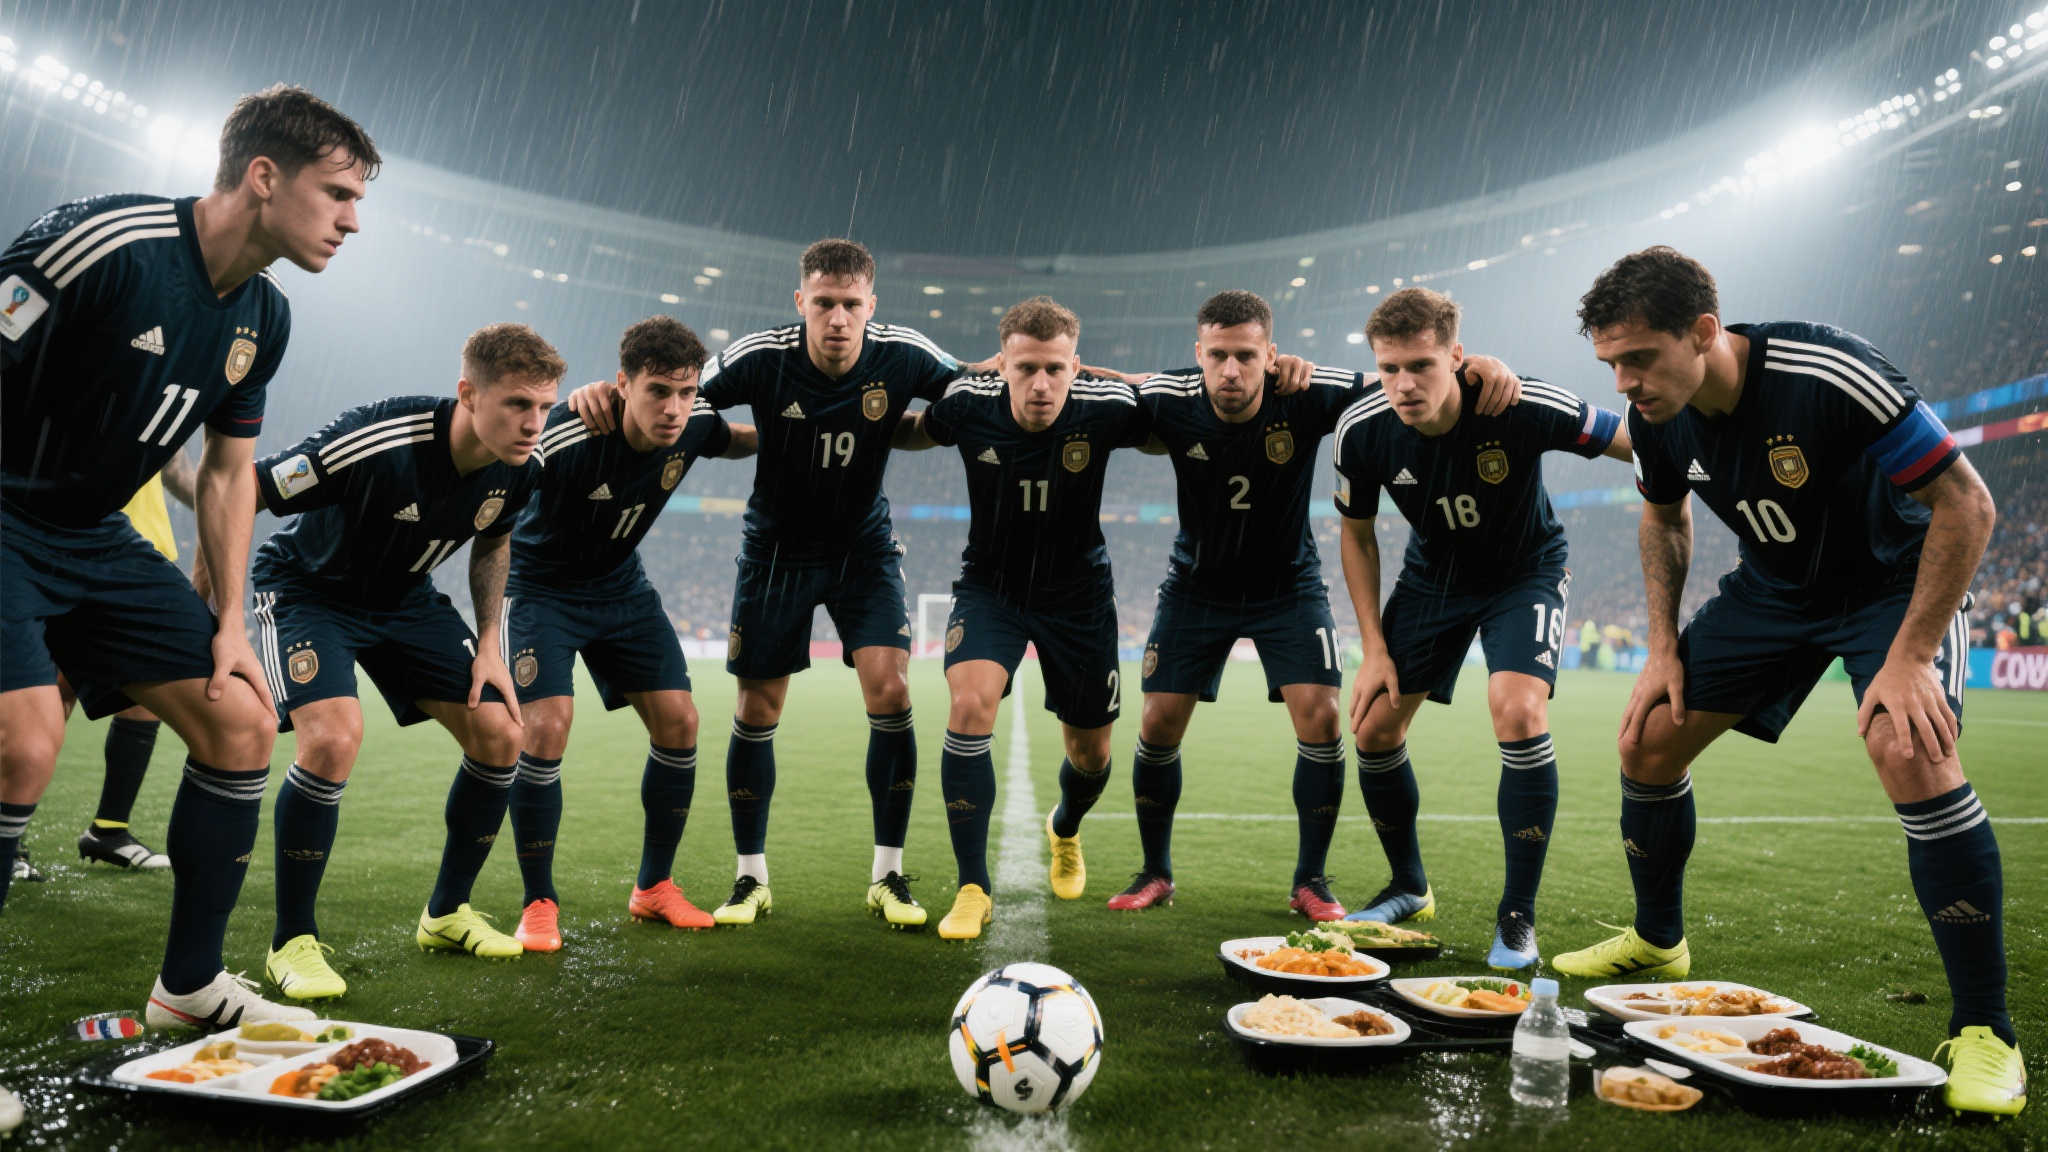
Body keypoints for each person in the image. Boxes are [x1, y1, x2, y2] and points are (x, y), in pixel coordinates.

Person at [1554, 246, 2022, 1117]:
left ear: (1704, 331)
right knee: (1648, 739)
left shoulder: (1828, 372)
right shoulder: (1657, 415)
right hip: (1772, 592)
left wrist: (1911, 656)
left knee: (1909, 749)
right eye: (1610, 363)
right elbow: (1664, 518)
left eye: (1639, 357)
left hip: (1890, 588)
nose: (1624, 383)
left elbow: (1968, 502)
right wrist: (1660, 648)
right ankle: (1658, 942)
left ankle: (1987, 1029)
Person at [2, 85, 375, 1029]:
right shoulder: (102, 244)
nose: (352, 221)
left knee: (242, 720)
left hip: (94, 535)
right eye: (338, 193)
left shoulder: (266, 318)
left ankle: (189, 989)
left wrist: (230, 622)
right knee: (23, 746)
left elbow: (227, 471)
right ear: (264, 177)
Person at [570, 238, 960, 930]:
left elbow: (981, 385)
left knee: (893, 690)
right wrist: (603, 388)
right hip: (776, 550)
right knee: (757, 710)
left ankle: (888, 875)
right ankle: (750, 876)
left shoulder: (904, 352)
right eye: (824, 303)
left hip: (863, 549)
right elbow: (672, 388)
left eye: (851, 304)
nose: (837, 318)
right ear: (800, 302)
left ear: (871, 305)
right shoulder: (760, 356)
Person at [1098, 290, 1522, 918]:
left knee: (1322, 719)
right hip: (1196, 587)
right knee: (1158, 721)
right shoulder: (1171, 396)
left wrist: (1479, 366)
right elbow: (1104, 384)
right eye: (1218, 355)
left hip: (1289, 587)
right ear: (1199, 354)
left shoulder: (1307, 390)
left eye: (1247, 355)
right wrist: (1015, 368)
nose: (1231, 370)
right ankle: (1155, 871)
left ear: (1271, 354)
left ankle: (1311, 880)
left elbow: (1405, 380)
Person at [249, 324, 557, 999]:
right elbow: (247, 489)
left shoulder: (522, 466)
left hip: (405, 601)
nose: (534, 423)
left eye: (544, 407)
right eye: (517, 404)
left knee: (502, 732)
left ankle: (446, 914)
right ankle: (291, 940)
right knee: (333, 739)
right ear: (468, 394)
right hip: (309, 591)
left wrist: (491, 645)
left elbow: (494, 541)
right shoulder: (378, 438)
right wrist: (210, 613)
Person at [1331, 287, 1630, 970]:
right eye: (1389, 369)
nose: (1404, 385)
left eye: (1421, 366)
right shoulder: (1362, 430)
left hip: (1525, 571)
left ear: (1456, 357)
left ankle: (1518, 915)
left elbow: (1637, 440)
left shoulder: (1518, 402)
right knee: (1373, 726)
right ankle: (1409, 886)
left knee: (1518, 710)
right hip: (1432, 578)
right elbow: (1356, 536)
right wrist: (1373, 650)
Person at [891, 297, 1150, 939]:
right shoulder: (966, 404)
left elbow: (1186, 409)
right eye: (1026, 367)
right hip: (992, 588)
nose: (1040, 384)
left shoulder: (1107, 408)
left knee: (1091, 755)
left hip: (1079, 596)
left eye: (1055, 369)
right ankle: (972, 887)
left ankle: (1065, 826)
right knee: (968, 706)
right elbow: (907, 428)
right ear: (1002, 364)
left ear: (1075, 368)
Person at [500, 316, 756, 951]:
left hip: (621, 588)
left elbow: (740, 440)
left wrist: (815, 421)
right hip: (541, 590)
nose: (674, 409)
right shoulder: (568, 433)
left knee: (680, 721)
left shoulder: (695, 424)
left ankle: (654, 886)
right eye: (657, 391)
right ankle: (538, 902)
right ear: (622, 384)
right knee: (547, 727)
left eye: (686, 392)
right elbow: (493, 481)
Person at [76, 452, 200, 870]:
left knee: (147, 694)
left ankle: (109, 830)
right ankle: (11, 838)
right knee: (51, 688)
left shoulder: (165, 412)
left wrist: (230, 498)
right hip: (82, 542)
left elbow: (177, 469)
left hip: (148, 555)